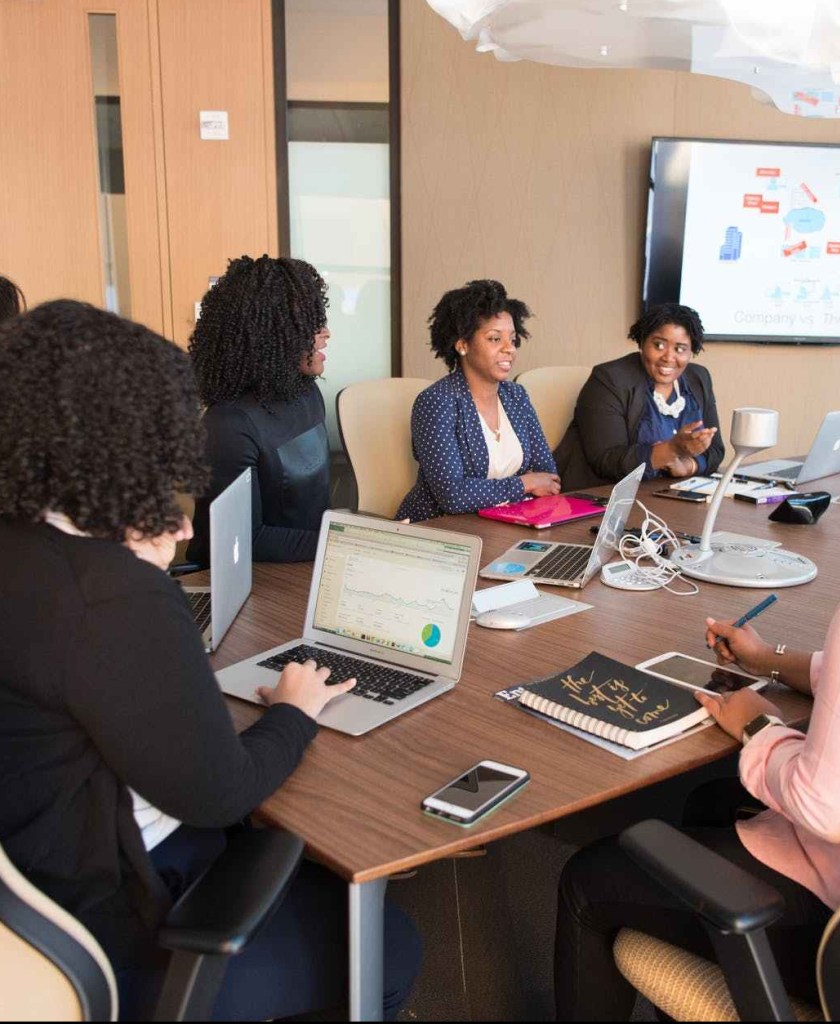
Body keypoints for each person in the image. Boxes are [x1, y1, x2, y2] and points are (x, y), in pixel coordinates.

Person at [555, 354, 840, 1020]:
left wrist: (755, 722)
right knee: (710, 799)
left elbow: (830, 810)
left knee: (587, 878)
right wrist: (771, 659)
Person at [0, 301, 420, 1020]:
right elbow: (222, 792)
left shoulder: (30, 547)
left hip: (38, 892)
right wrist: (293, 708)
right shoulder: (108, 596)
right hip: (123, 929)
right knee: (391, 944)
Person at [187, 254, 332, 564]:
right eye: (310, 325)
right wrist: (341, 546)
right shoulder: (228, 425)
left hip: (305, 564)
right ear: (272, 335)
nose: (326, 334)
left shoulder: (307, 393)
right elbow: (246, 540)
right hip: (246, 578)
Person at [396, 279, 561, 521]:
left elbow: (548, 476)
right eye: (495, 339)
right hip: (443, 532)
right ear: (463, 345)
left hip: (506, 523)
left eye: (513, 339)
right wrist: (524, 484)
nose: (509, 348)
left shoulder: (516, 395)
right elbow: (453, 495)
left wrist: (530, 486)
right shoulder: (436, 402)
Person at [554, 303, 725, 490]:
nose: (668, 357)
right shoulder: (609, 379)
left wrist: (688, 466)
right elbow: (606, 460)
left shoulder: (698, 379)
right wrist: (672, 450)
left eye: (680, 349)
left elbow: (715, 451)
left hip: (668, 495)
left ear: (692, 350)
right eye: (659, 345)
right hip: (603, 497)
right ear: (642, 342)